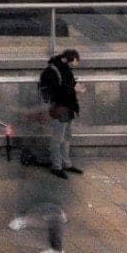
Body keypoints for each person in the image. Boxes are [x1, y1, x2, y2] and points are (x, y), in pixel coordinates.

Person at [37, 45, 81, 175]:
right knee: (58, 138)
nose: (77, 64)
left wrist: (74, 86)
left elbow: (66, 85)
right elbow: (58, 91)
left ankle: (66, 163)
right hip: (60, 108)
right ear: (71, 59)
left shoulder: (63, 68)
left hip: (68, 107)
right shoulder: (54, 70)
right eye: (76, 61)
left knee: (66, 137)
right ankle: (57, 166)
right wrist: (74, 89)